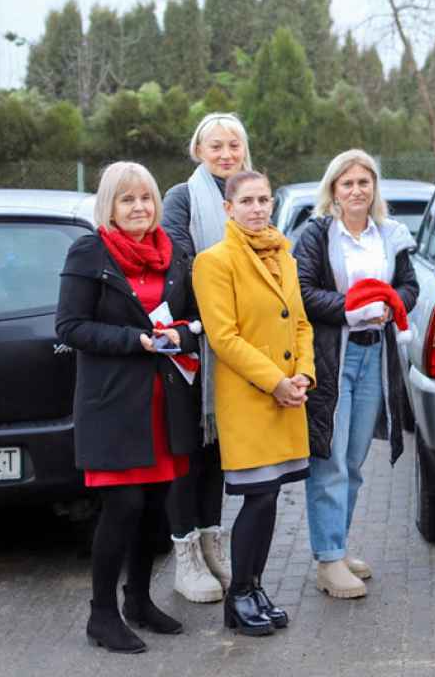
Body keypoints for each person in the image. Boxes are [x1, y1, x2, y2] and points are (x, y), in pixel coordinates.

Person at [56, 162, 201, 653]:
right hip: (115, 406)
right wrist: (133, 340)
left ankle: (138, 600)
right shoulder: (89, 252)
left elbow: (193, 320)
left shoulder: (174, 253)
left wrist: (181, 334)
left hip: (166, 403)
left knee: (156, 509)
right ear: (109, 206)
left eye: (145, 198)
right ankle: (102, 615)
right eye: (127, 200)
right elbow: (70, 327)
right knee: (124, 507)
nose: (139, 207)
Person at [192, 170, 315, 637]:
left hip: (288, 396)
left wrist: (303, 374)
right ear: (229, 208)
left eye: (264, 199)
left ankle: (254, 586)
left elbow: (301, 323)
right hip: (250, 399)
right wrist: (275, 382)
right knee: (257, 498)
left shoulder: (284, 253)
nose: (258, 207)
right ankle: (238, 596)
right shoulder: (213, 261)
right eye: (247, 200)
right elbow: (224, 338)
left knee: (271, 498)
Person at [293, 149, 419, 599]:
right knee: (327, 459)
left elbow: (409, 286)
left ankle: (339, 547)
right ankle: (328, 560)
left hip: (374, 357)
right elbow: (303, 293)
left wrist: (390, 304)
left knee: (353, 461)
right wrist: (350, 309)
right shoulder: (315, 236)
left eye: (363, 182)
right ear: (333, 190)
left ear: (374, 189)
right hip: (334, 358)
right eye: (346, 183)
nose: (356, 190)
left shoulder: (389, 235)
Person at [161, 112, 252, 602]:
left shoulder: (247, 194)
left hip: (234, 345)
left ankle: (215, 544)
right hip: (192, 344)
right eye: (215, 146)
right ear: (198, 151)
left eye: (233, 145)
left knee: (218, 450)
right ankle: (186, 556)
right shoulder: (181, 198)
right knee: (186, 451)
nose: (225, 154)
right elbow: (181, 258)